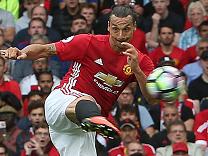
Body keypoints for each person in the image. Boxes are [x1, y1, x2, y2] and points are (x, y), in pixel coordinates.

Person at [3, 5, 155, 156]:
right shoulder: (87, 42)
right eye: (115, 29)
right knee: (89, 101)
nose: (120, 35)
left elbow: (151, 99)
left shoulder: (141, 61)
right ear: (108, 26)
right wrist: (22, 52)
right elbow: (44, 49)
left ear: (134, 27)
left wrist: (136, 70)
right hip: (62, 101)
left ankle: (91, 118)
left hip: (81, 129)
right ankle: (91, 117)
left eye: (126, 29)